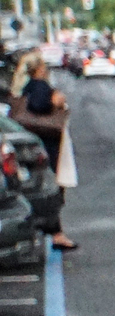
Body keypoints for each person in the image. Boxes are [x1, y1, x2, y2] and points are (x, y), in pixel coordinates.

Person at [13, 71, 74, 251]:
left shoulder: (24, 85)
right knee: (49, 190)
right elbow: (39, 106)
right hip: (46, 145)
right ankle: (54, 232)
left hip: (35, 146)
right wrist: (55, 102)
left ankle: (53, 231)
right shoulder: (40, 85)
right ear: (39, 69)